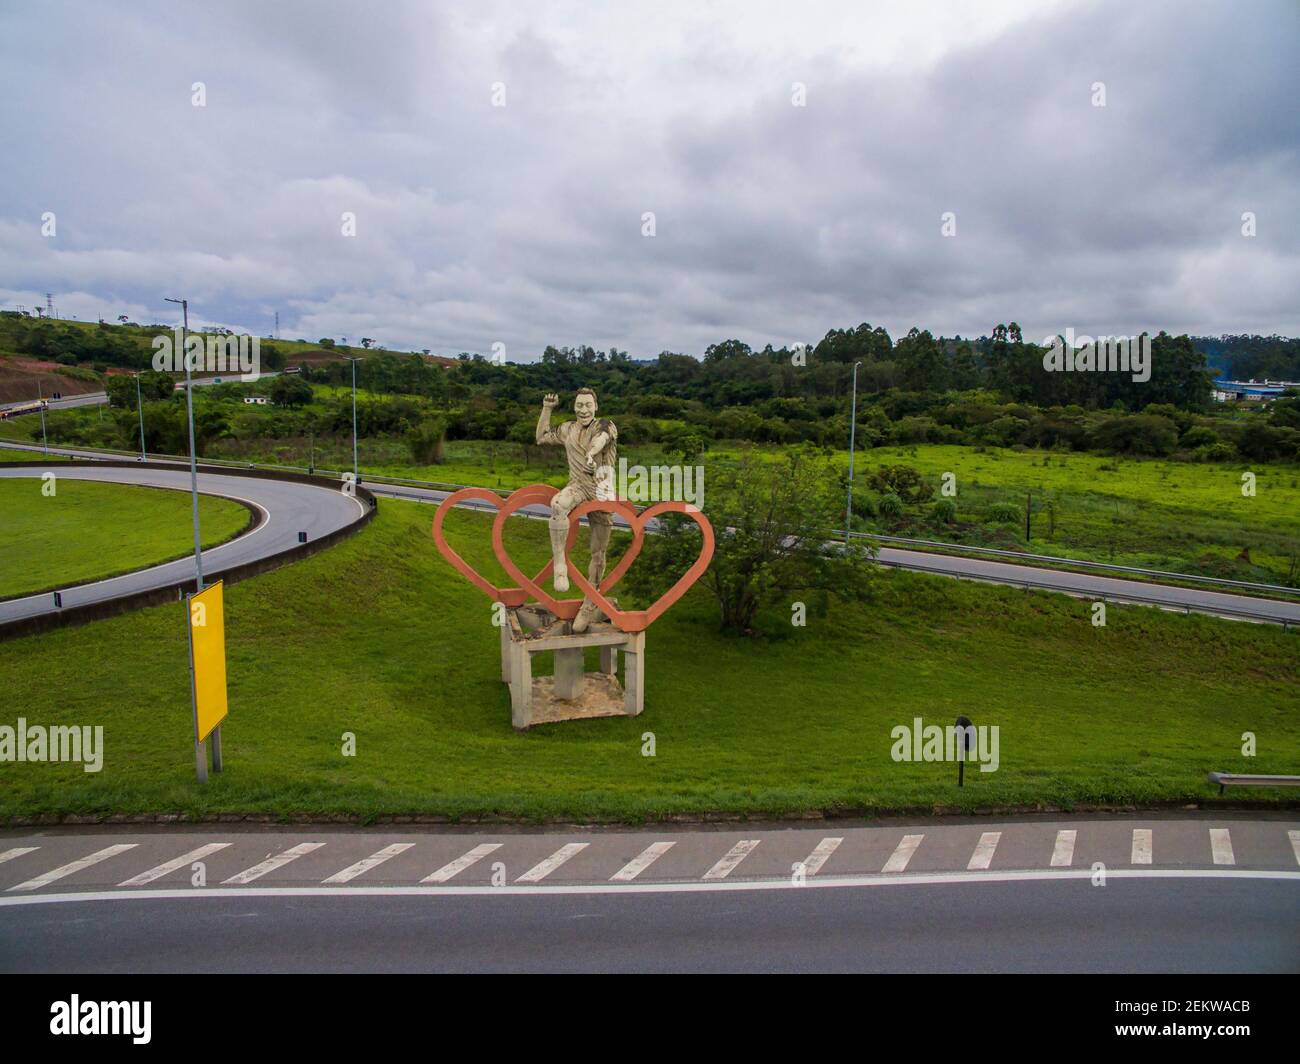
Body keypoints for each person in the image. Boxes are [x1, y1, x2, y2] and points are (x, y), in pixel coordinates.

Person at [535, 388, 618, 632]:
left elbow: (600, 438)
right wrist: (547, 409)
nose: (583, 410)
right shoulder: (568, 429)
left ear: (596, 406)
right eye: (579, 405)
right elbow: (541, 437)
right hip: (578, 486)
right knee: (557, 505)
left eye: (588, 405)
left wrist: (592, 454)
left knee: (598, 553)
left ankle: (590, 602)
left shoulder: (606, 425)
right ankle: (559, 565)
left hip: (602, 491)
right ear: (574, 407)